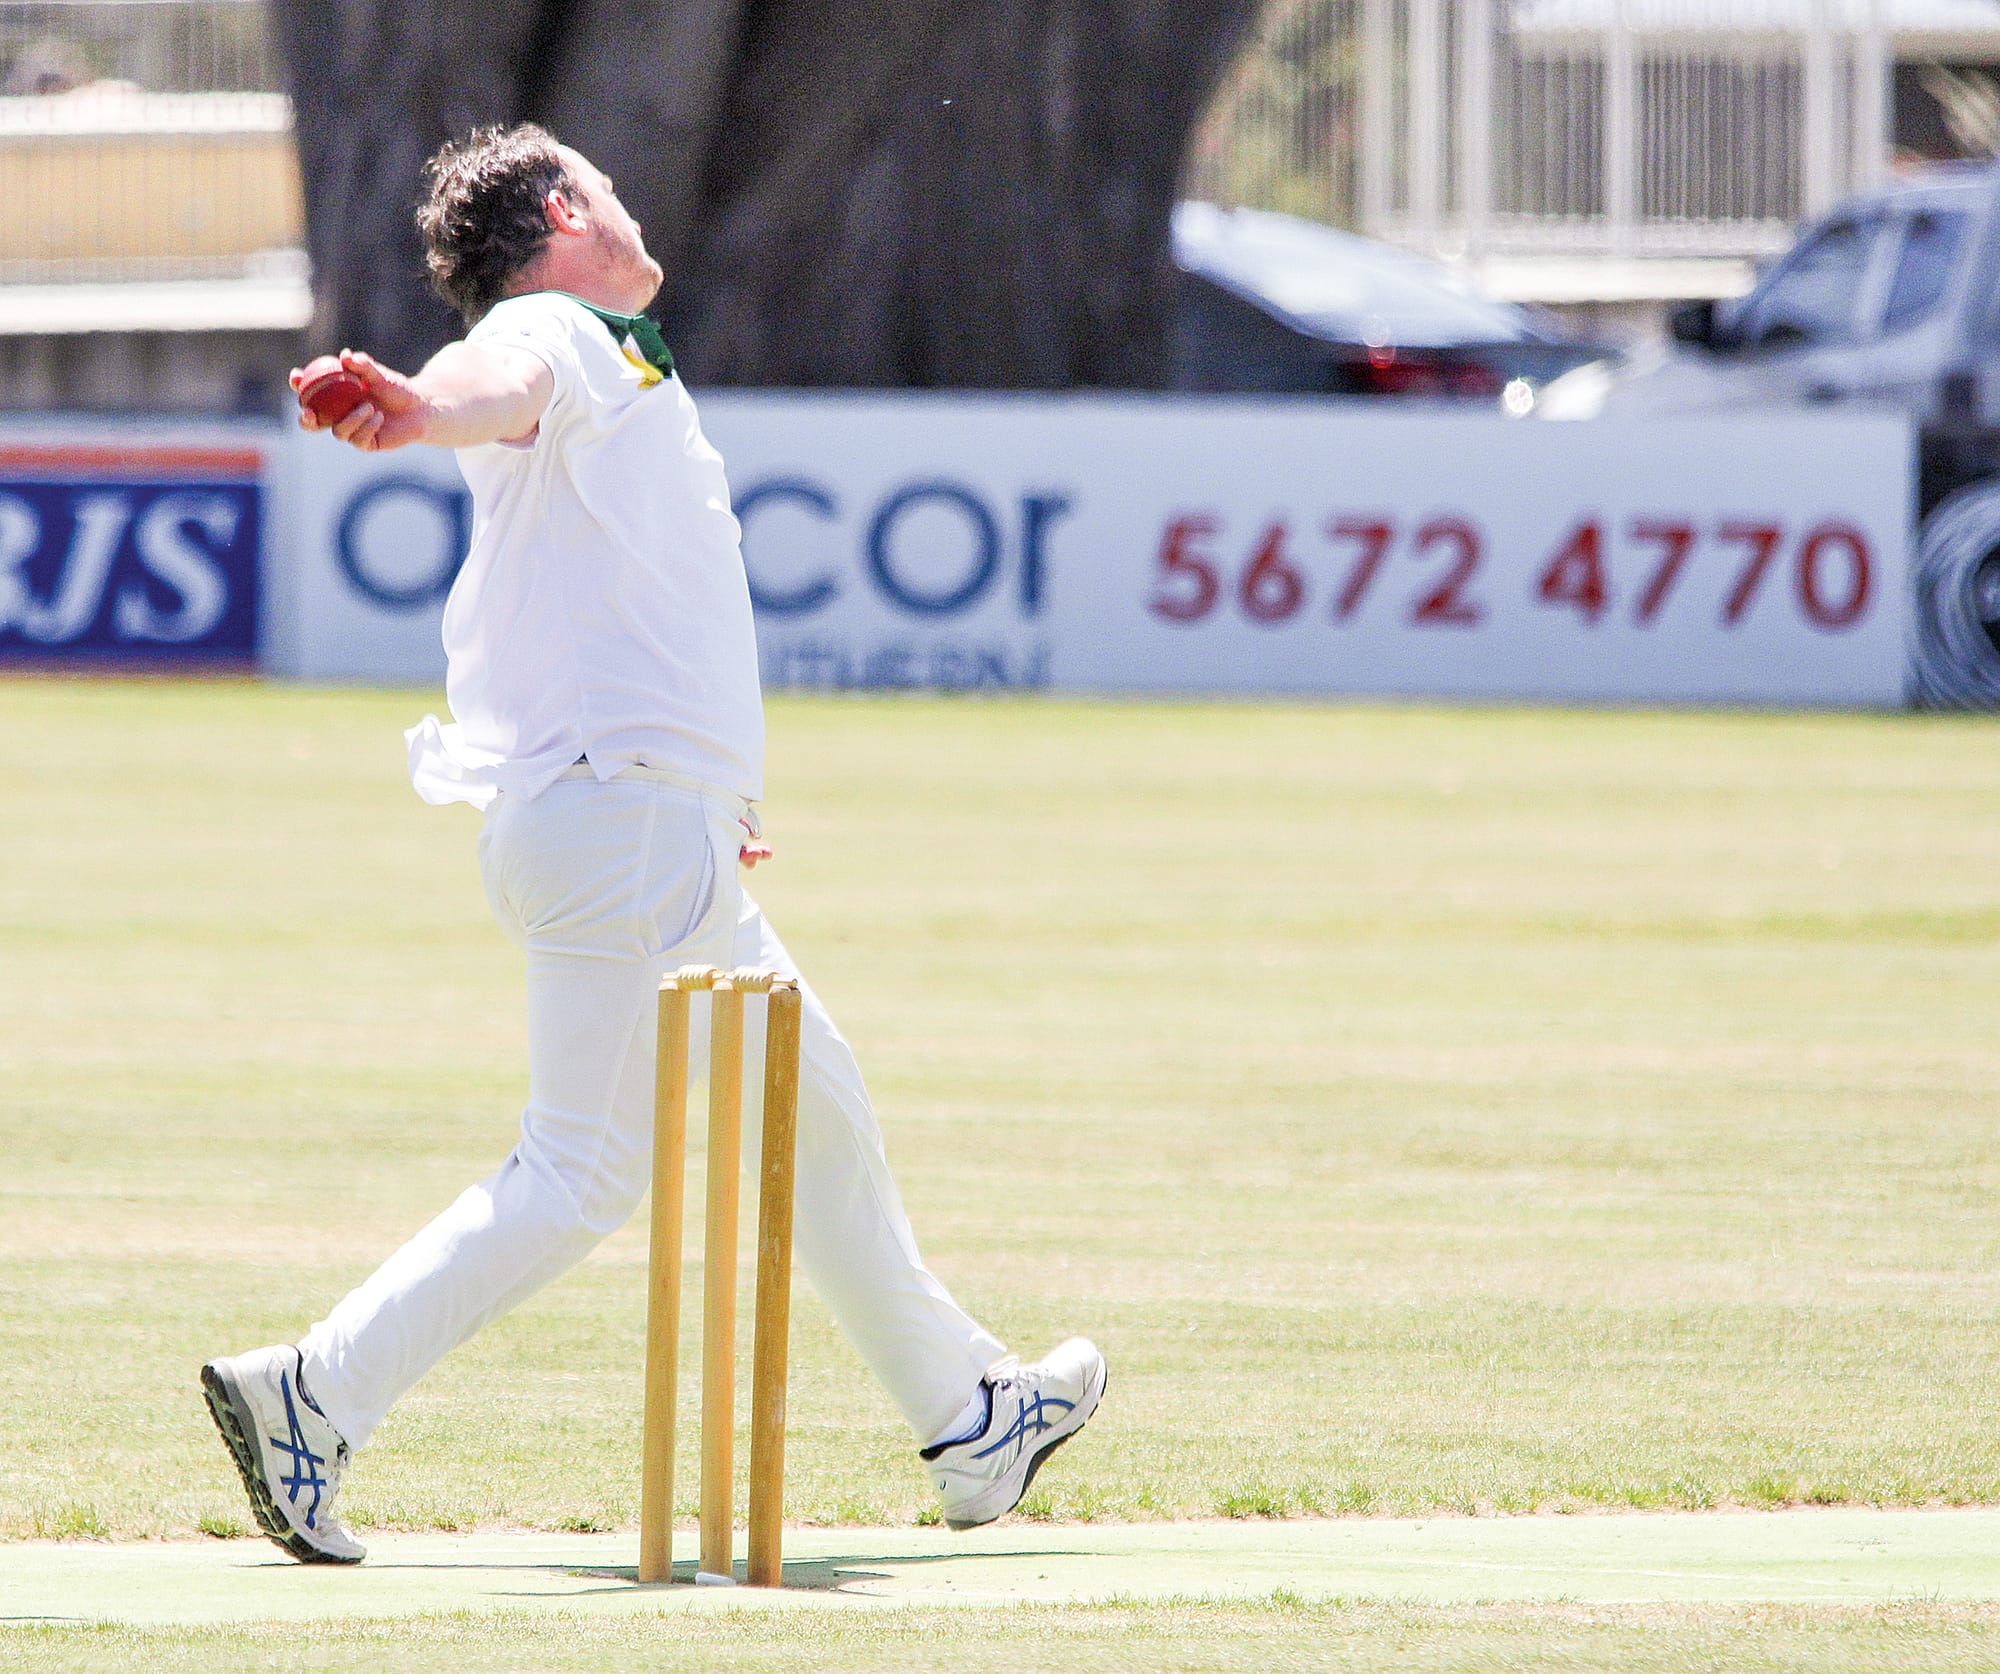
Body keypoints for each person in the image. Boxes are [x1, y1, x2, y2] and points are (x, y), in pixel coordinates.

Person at [199, 122, 1104, 1566]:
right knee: (581, 1171)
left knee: (817, 1108)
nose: (631, 204)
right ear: (564, 207)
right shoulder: (560, 325)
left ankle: (970, 1409)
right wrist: (416, 411)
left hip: (638, 825)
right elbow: (495, 377)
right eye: (606, 187)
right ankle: (313, 1390)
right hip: (620, 823)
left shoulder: (597, 365)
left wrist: (704, 803)